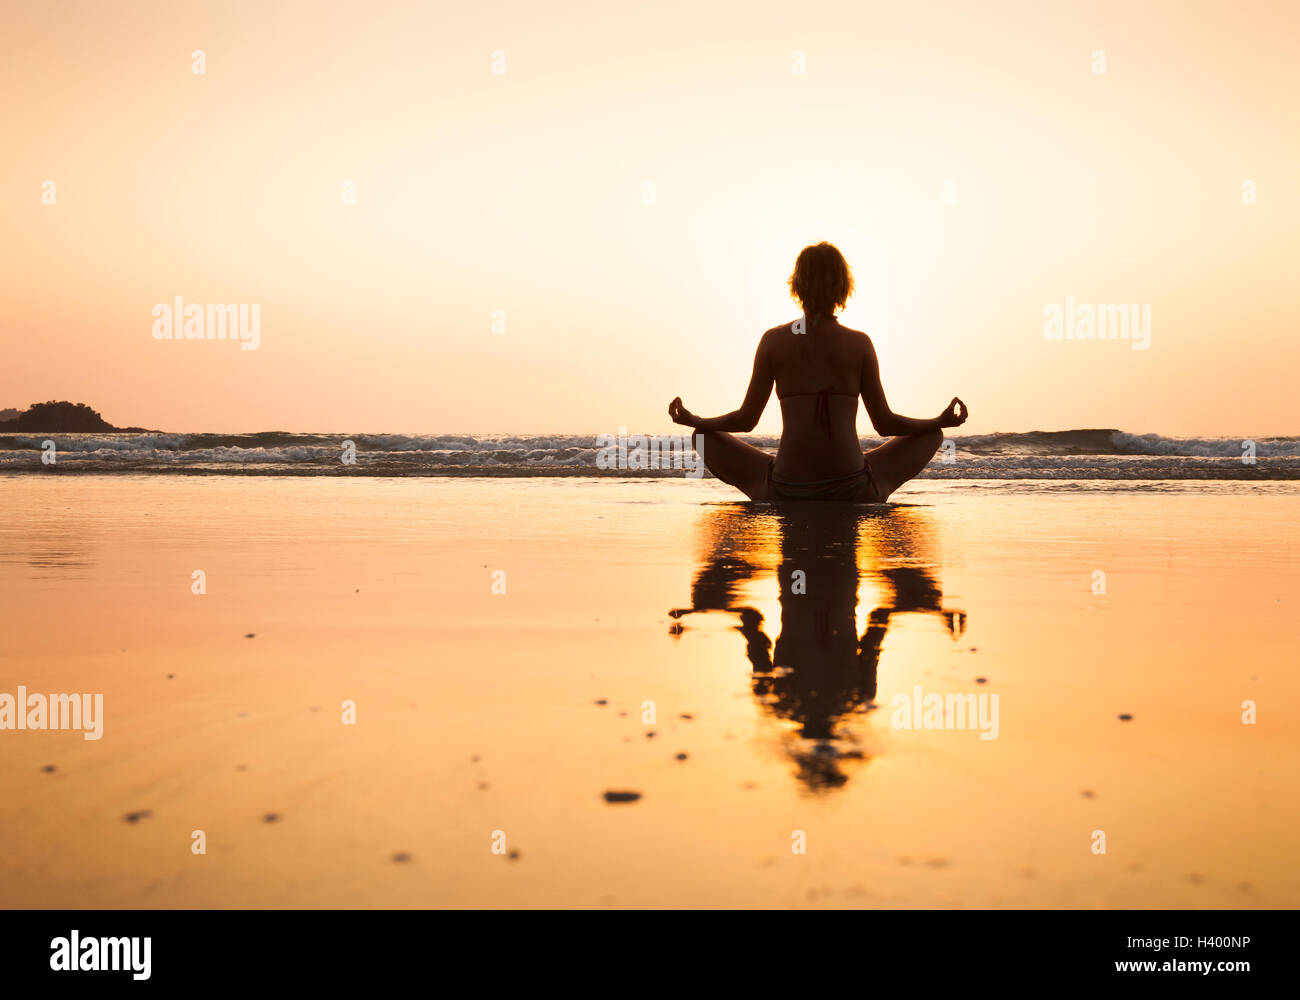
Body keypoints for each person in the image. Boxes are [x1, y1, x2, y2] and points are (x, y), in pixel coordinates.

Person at [667, 242, 968, 502]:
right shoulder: (859, 343)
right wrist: (938, 421)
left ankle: (768, 488)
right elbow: (884, 423)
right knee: (931, 435)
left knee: (703, 437)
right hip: (851, 488)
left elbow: (746, 420)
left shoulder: (774, 340)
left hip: (786, 487)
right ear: (842, 286)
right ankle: (870, 488)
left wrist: (697, 420)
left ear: (797, 285)